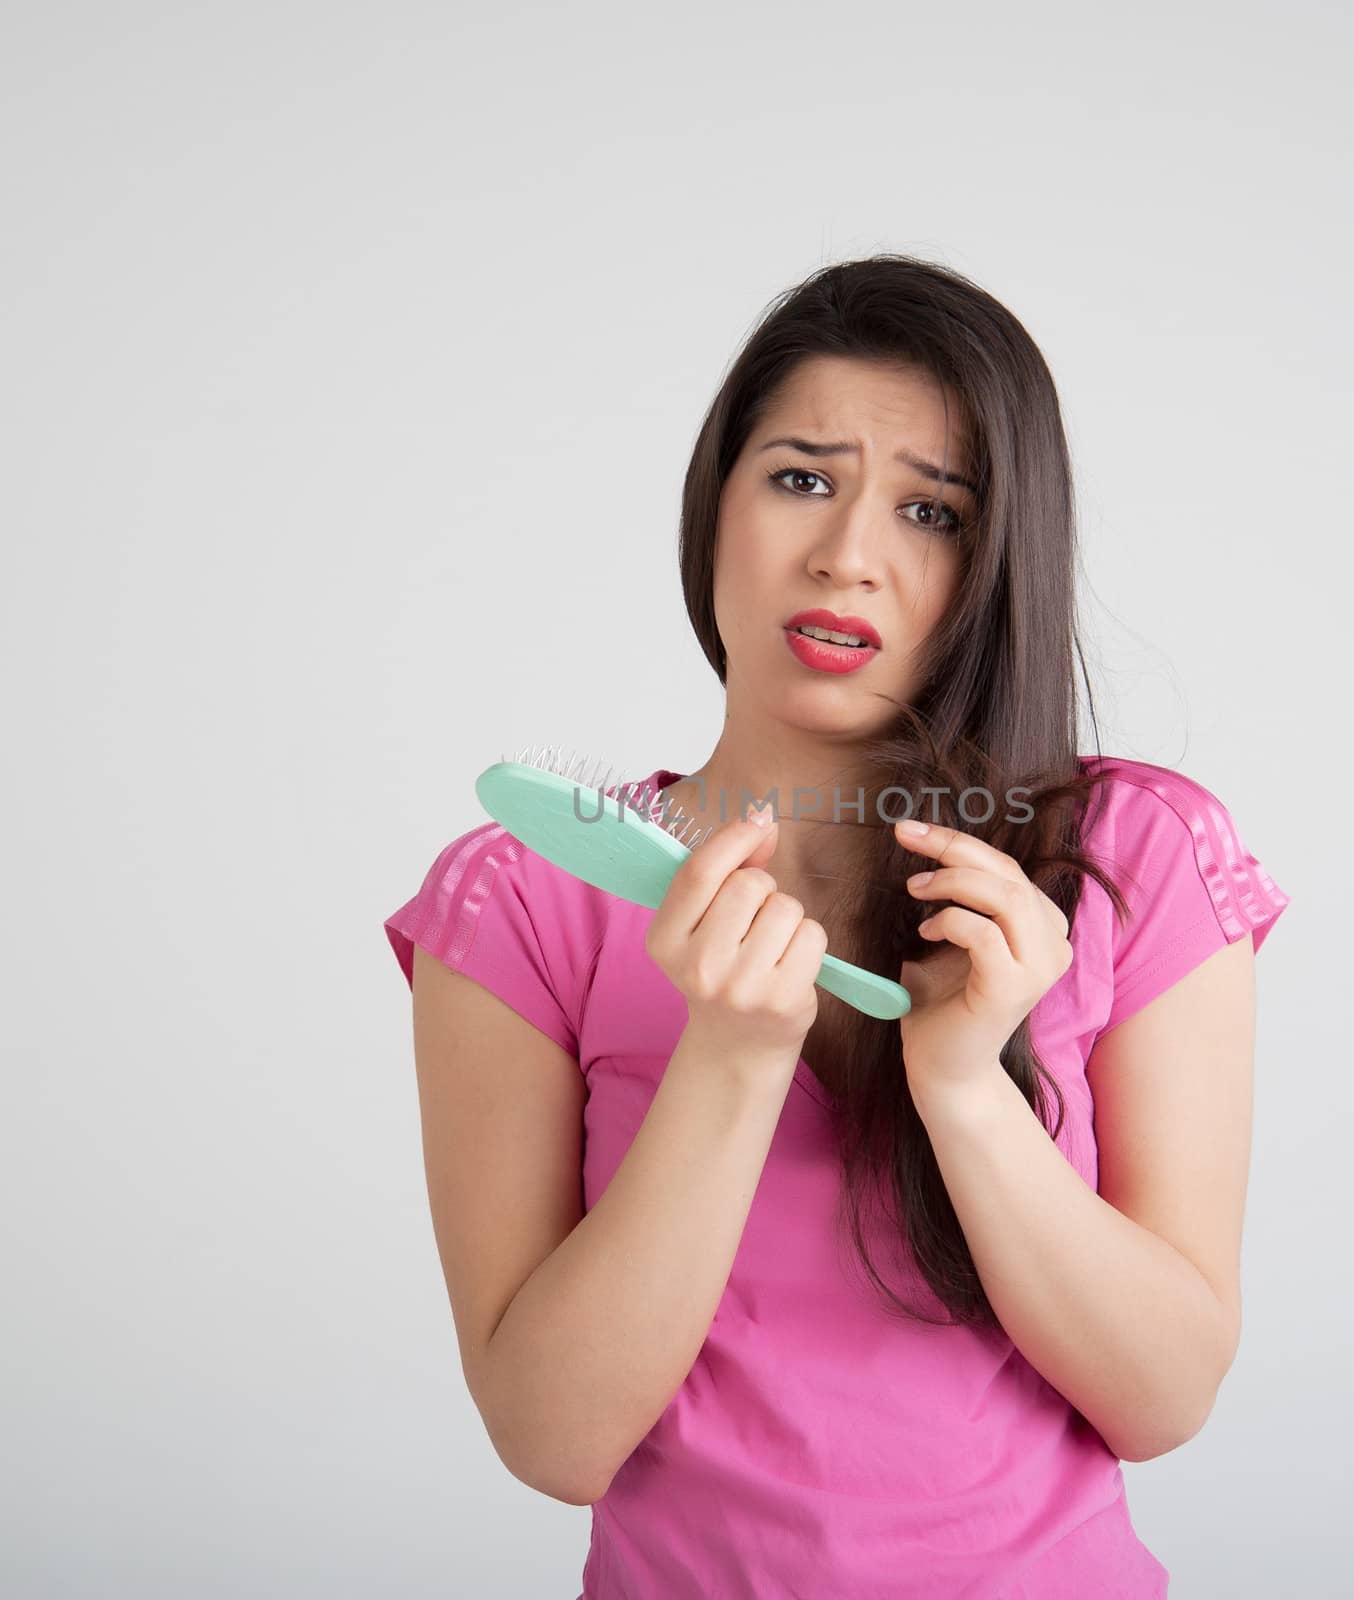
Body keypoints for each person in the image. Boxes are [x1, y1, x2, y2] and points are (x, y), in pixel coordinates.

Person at [382, 254, 1290, 1598]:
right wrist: (731, 1063)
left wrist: (968, 1091)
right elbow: (552, 1438)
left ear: (997, 561)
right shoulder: (523, 896)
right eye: (802, 478)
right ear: (714, 508)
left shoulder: (1134, 859)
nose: (848, 556)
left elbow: (1162, 1399)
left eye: (932, 511)